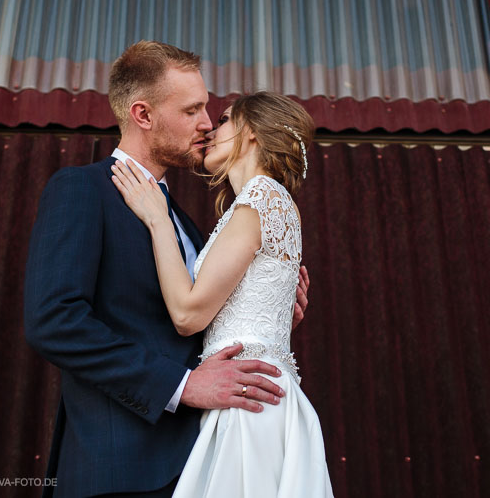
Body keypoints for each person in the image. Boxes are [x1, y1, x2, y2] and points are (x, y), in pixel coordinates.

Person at [24, 40, 309, 498]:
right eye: (192, 110)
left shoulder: (191, 226)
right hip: (122, 471)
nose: (205, 125)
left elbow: (191, 320)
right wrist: (182, 386)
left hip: (206, 462)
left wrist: (265, 305)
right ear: (143, 114)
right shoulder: (81, 191)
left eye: (210, 111)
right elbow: (53, 322)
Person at [110, 90, 334, 498]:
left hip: (248, 398)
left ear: (250, 133)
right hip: (253, 391)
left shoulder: (260, 198)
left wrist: (158, 219)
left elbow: (187, 314)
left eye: (226, 119)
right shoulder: (265, 203)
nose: (212, 128)